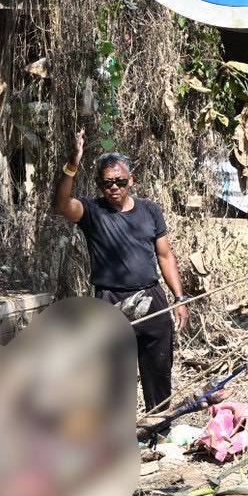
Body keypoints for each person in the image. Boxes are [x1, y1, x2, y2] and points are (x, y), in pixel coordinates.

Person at [54, 131, 188, 410]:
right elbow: (62, 205)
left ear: (131, 181)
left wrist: (179, 298)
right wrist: (72, 163)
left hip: (152, 298)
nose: (113, 187)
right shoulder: (92, 211)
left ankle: (158, 428)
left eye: (120, 181)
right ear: (100, 186)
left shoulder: (150, 211)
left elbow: (165, 255)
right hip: (109, 301)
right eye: (107, 184)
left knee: (158, 369)